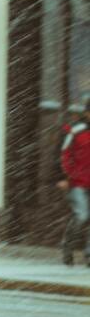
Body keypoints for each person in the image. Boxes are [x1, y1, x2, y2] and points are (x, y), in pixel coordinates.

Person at [58, 100, 90, 267]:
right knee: (82, 215)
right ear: (87, 113)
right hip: (77, 182)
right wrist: (62, 176)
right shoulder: (74, 130)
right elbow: (62, 153)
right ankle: (67, 246)